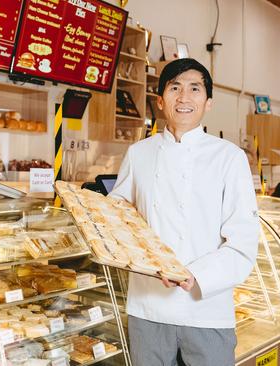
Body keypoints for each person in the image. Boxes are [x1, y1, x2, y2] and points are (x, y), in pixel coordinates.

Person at [109, 58, 259, 365]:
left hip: (206, 308)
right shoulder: (139, 154)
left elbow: (243, 241)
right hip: (147, 307)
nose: (184, 97)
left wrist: (196, 275)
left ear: (208, 103)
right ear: (161, 101)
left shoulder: (229, 157)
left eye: (194, 89)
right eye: (175, 88)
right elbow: (121, 220)